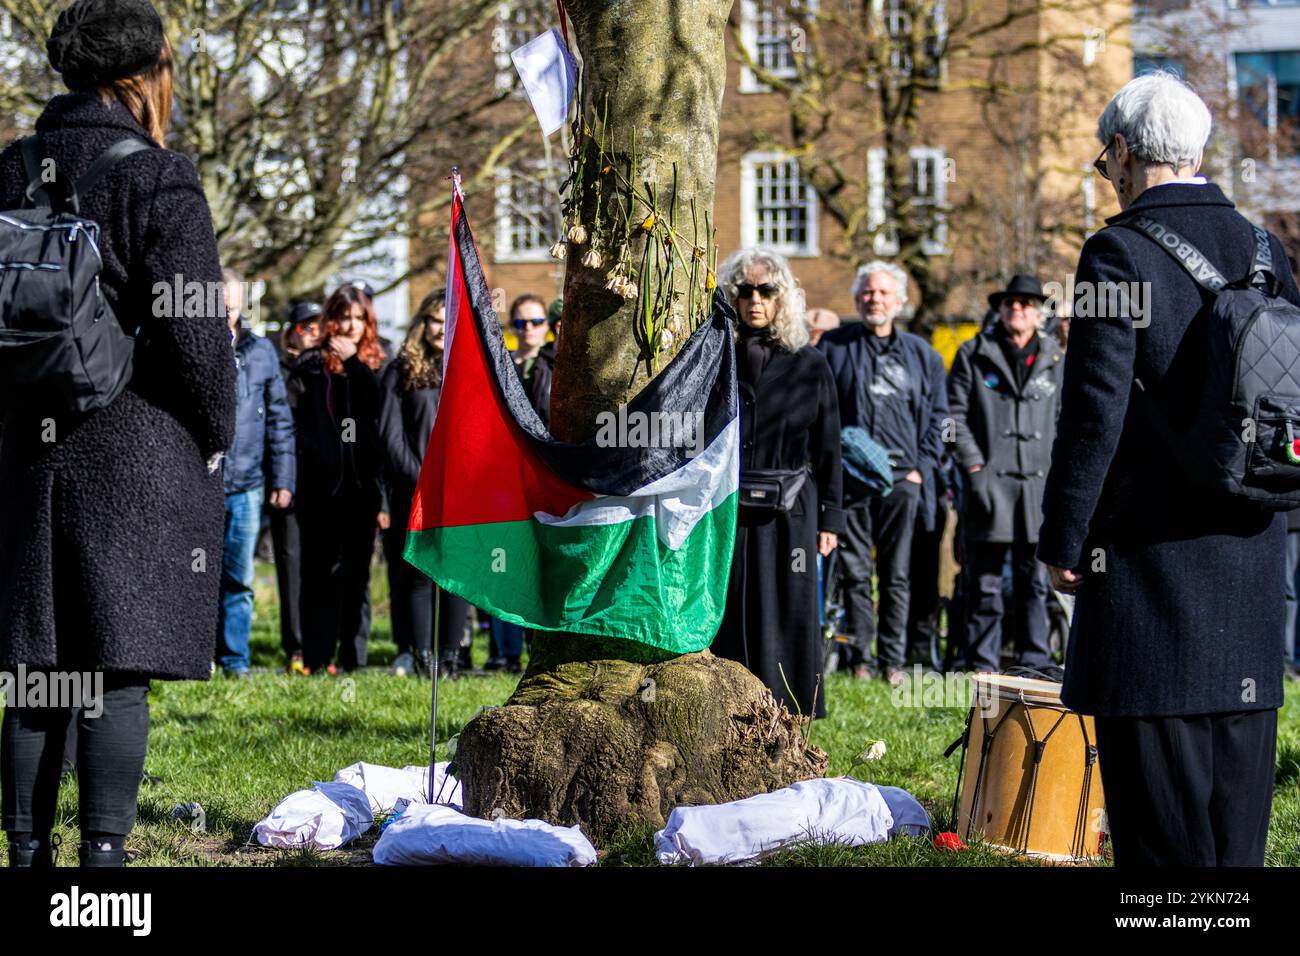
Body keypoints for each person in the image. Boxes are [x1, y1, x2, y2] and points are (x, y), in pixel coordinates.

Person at [1039, 72, 1300, 866]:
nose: (1107, 178)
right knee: (1235, 837)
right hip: (1254, 562)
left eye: (1103, 162)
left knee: (1158, 840)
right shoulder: (1267, 251)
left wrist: (1062, 537)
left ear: (1121, 152)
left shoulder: (1115, 255)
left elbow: (1095, 410)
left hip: (1151, 579)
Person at [0, 2, 235, 867]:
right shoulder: (158, 177)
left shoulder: (12, 167)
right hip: (133, 448)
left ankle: (25, 860)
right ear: (144, 75)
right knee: (112, 668)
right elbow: (197, 335)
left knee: (36, 668)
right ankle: (103, 868)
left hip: (30, 448)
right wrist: (215, 430)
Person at [712, 248, 843, 717]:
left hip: (791, 508)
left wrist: (832, 517)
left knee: (790, 602)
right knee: (731, 603)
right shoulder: (714, 359)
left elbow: (829, 447)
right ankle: (729, 704)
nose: (754, 300)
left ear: (782, 297)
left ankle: (788, 709)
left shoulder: (810, 363)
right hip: (727, 503)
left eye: (765, 290)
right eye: (743, 290)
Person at [819, 262, 948, 686]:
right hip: (850, 483)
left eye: (883, 293)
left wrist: (921, 470)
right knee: (855, 573)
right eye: (867, 293)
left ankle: (893, 660)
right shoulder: (834, 348)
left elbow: (938, 419)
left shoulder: (924, 356)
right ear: (857, 299)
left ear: (899, 301)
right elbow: (819, 411)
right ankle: (860, 659)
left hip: (902, 482)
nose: (874, 299)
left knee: (896, 576)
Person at [948, 274, 1065, 673]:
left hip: (1039, 489)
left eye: (1026, 303)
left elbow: (1067, 419)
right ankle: (982, 662)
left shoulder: (1055, 357)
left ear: (1038, 313)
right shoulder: (973, 352)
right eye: (1010, 303)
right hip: (988, 488)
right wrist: (975, 467)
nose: (1017, 309)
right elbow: (951, 418)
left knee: (1036, 580)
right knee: (985, 581)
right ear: (999, 310)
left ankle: (1036, 660)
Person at [287, 284, 386, 674]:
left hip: (362, 489)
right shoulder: (310, 366)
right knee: (317, 575)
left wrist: (357, 368)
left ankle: (353, 660)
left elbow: (380, 414)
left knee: (355, 577)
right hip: (318, 488)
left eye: (357, 318)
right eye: (342, 317)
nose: (349, 325)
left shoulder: (378, 363)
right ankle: (316, 657)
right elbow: (293, 420)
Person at [379, 288, 471, 678]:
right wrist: (420, 480)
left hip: (458, 492)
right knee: (417, 575)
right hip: (413, 490)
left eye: (445, 320)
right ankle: (422, 657)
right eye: (433, 319)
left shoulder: (465, 368)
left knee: (452, 575)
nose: (438, 328)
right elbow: (390, 435)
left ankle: (449, 657)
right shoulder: (400, 371)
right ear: (422, 322)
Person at [216, 269, 295, 677]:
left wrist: (283, 479)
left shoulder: (262, 351)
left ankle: (235, 660)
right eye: (222, 299)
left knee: (239, 579)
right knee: (198, 575)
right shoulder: (196, 345)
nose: (228, 308)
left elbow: (279, 420)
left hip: (247, 484)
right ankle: (197, 659)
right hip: (202, 482)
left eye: (234, 300)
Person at [270, 301, 323, 674]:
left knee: (320, 565)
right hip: (287, 479)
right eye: (305, 327)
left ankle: (322, 645)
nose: (313, 333)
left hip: (323, 480)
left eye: (318, 326)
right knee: (289, 563)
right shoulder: (276, 366)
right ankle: (296, 648)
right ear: (291, 331)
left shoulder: (327, 369)